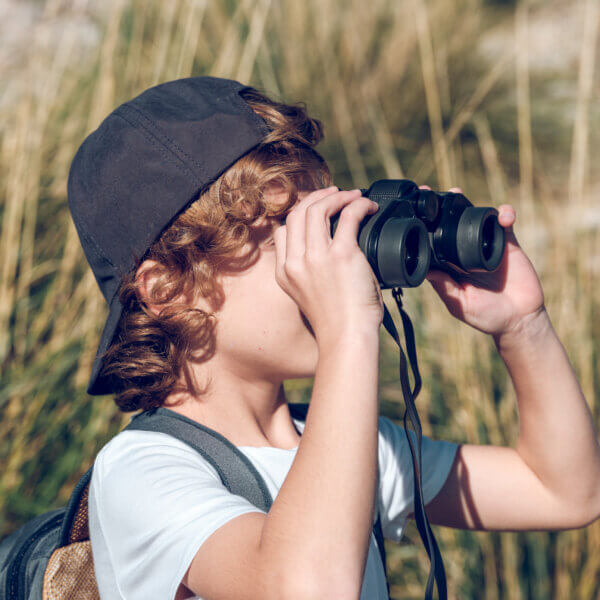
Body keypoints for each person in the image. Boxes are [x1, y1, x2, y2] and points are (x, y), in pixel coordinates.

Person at [67, 76, 600, 600]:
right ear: (167, 288)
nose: (328, 263)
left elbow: (565, 493)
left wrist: (523, 327)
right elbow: (309, 587)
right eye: (293, 237)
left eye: (325, 228)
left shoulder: (351, 443)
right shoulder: (143, 471)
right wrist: (348, 330)